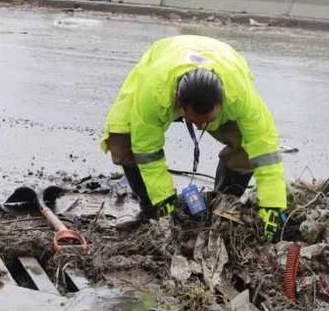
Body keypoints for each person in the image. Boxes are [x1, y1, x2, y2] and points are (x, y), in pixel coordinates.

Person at [101, 35, 287, 239]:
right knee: (121, 143)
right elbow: (146, 150)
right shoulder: (154, 93)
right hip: (163, 64)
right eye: (193, 120)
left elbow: (266, 152)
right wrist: (163, 200)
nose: (199, 127)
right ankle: (150, 212)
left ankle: (222, 204)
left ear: (222, 102)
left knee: (245, 149)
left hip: (224, 59)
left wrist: (272, 205)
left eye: (206, 121)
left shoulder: (240, 96)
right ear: (177, 101)